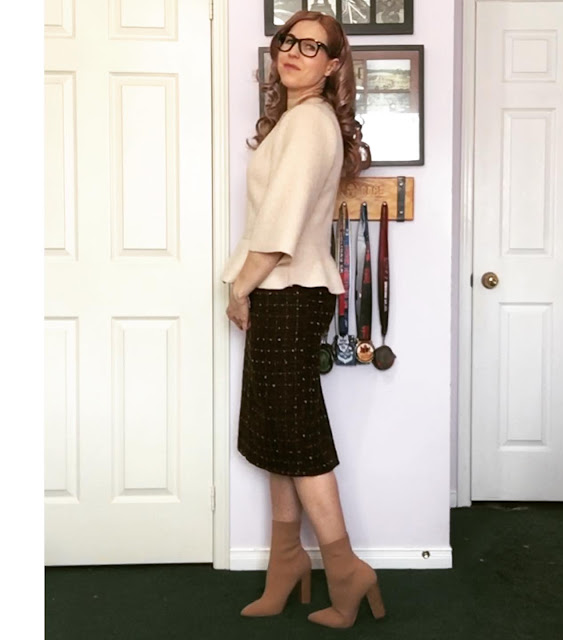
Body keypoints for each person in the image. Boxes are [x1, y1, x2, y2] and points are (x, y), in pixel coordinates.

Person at [221, 10, 385, 629]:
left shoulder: (311, 123)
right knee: (275, 433)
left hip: (287, 291)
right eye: (289, 40)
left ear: (333, 65)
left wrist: (240, 289)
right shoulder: (296, 121)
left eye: (313, 46)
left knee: (297, 435)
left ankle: (345, 569)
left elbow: (280, 224)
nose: (294, 51)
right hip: (283, 292)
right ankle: (287, 562)